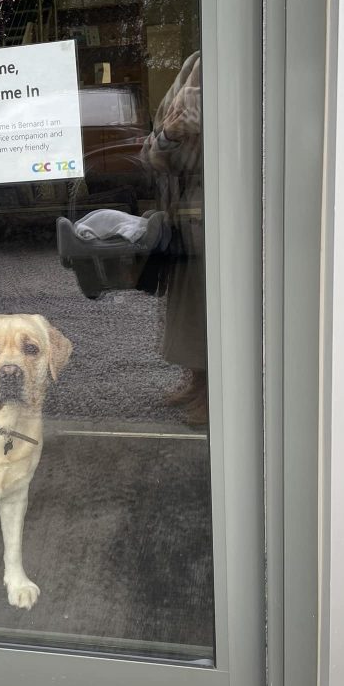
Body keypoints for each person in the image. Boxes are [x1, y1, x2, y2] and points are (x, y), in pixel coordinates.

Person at [142, 51, 207, 427]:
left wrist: (166, 139)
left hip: (209, 210)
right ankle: (197, 381)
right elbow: (163, 139)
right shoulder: (198, 60)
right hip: (186, 210)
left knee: (206, 309)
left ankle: (213, 393)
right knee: (187, 307)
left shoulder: (214, 66)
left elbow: (184, 127)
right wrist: (166, 137)